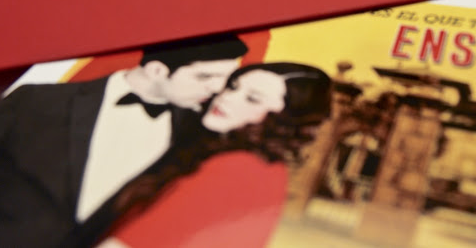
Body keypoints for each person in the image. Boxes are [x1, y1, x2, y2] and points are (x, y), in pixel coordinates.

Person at [0, 34, 248, 248]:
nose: (217, 89)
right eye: (205, 77)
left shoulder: (197, 129)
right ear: (157, 70)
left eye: (226, 79)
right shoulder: (36, 102)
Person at [82, 62, 332, 248]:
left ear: (285, 120)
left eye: (253, 99)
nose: (226, 98)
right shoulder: (270, 168)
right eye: (233, 87)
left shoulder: (237, 169)